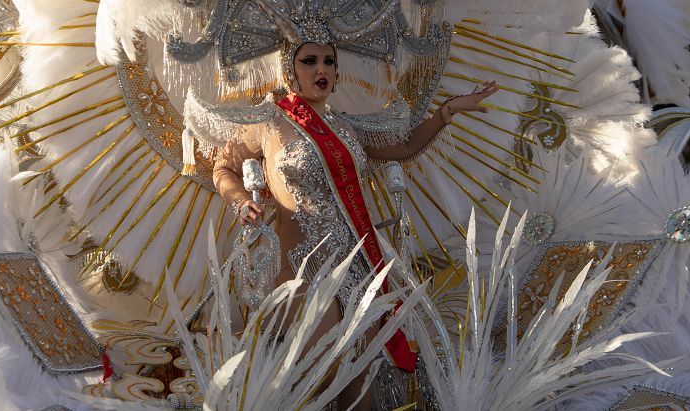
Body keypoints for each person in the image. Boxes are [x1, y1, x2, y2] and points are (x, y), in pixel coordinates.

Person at [212, 40, 498, 409]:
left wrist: (447, 111)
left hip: (354, 264)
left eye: (329, 62)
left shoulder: (344, 130)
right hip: (301, 265)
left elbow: (405, 146)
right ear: (290, 70)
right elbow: (223, 164)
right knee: (320, 370)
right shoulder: (268, 122)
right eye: (310, 61)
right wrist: (240, 201)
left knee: (358, 383)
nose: (322, 70)